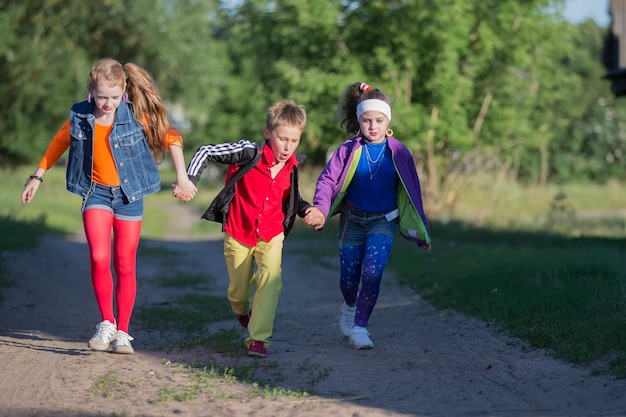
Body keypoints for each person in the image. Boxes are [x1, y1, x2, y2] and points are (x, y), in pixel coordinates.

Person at [21, 58, 197, 354]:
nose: (107, 103)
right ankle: (106, 322)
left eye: (114, 97)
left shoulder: (135, 115)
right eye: (101, 96)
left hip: (129, 196)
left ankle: (124, 333)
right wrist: (37, 176)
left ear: (124, 92)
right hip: (96, 194)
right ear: (91, 90)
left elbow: (172, 136)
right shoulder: (80, 116)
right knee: (100, 256)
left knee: (125, 263)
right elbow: (58, 142)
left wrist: (182, 177)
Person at [186, 100, 323, 358]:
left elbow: (292, 198)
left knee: (271, 278)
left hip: (271, 233)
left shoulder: (293, 165)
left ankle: (258, 339)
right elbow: (205, 151)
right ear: (267, 133)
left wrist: (308, 210)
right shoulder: (249, 152)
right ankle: (242, 309)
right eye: (283, 139)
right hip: (239, 232)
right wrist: (190, 180)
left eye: (294, 141)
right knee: (239, 292)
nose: (288, 147)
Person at [305, 82, 431, 350]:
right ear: (359, 121)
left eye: (379, 120)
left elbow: (413, 192)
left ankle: (360, 328)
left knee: (372, 273)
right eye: (366, 120)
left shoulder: (398, 152)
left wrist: (422, 232)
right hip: (352, 220)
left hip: (383, 221)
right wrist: (320, 208)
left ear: (388, 121)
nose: (373, 126)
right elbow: (328, 180)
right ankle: (349, 307)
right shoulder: (348, 150)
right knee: (349, 279)